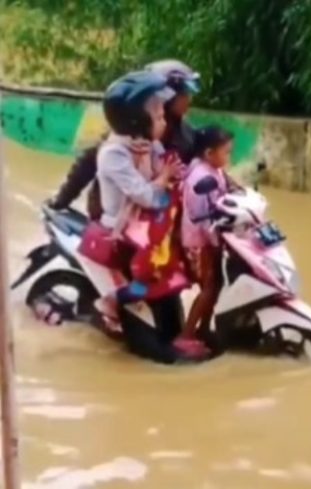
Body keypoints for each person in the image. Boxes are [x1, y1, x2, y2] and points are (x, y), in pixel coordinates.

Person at [85, 71, 196, 363]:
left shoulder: (148, 143)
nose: (164, 122)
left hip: (150, 229)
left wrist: (182, 176)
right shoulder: (114, 154)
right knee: (147, 287)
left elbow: (170, 169)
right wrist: (165, 177)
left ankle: (175, 336)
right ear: (136, 121)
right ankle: (114, 306)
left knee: (174, 278)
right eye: (158, 117)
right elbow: (146, 195)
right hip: (123, 235)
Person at [46, 59, 203, 216]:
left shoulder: (186, 134)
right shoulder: (125, 135)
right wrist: (62, 200)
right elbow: (87, 164)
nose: (189, 99)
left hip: (156, 210)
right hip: (116, 214)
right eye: (185, 93)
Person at [175, 126, 234, 356]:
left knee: (215, 285)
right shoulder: (201, 179)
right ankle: (186, 336)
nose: (229, 157)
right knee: (209, 287)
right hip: (199, 242)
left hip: (209, 239)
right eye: (226, 152)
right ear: (209, 153)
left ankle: (204, 329)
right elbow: (203, 219)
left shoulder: (213, 170)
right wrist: (217, 242)